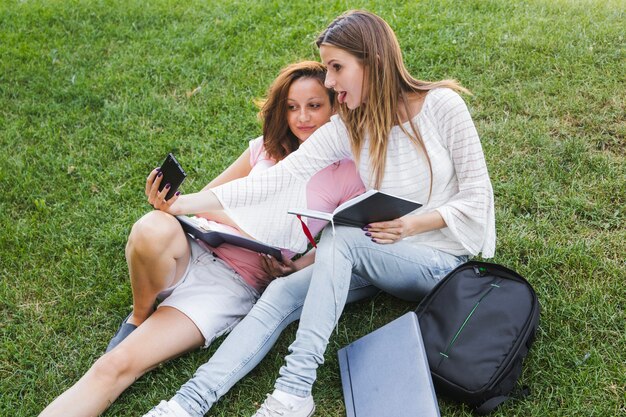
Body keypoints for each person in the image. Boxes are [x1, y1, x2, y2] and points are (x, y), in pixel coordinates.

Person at [141, 9, 495, 417]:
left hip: (438, 262)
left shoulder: (442, 107)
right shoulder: (349, 129)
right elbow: (273, 181)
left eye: (336, 67)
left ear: (373, 62)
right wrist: (184, 204)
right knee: (280, 293)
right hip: (371, 255)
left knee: (341, 237)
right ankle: (188, 402)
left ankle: (294, 389)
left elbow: (476, 199)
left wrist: (411, 225)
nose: (329, 81)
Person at [38, 61, 376, 417]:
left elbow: (341, 241)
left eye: (314, 105)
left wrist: (297, 266)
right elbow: (206, 197)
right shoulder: (266, 148)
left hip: (231, 282)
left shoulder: (348, 175)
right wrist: (173, 204)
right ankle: (138, 316)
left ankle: (145, 328)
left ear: (335, 107)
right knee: (150, 226)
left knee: (112, 367)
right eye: (292, 107)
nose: (302, 117)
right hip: (193, 243)